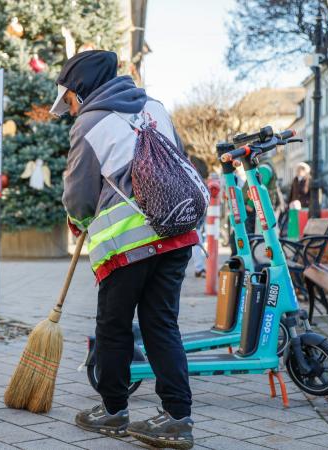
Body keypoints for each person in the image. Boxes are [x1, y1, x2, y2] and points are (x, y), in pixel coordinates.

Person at [53, 50, 197, 449]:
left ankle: (114, 412)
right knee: (162, 324)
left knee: (113, 328)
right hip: (176, 233)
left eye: (68, 98)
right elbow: (179, 159)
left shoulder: (90, 122)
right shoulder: (156, 108)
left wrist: (78, 219)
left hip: (128, 246)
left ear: (79, 90)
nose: (69, 106)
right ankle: (177, 419)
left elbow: (79, 196)